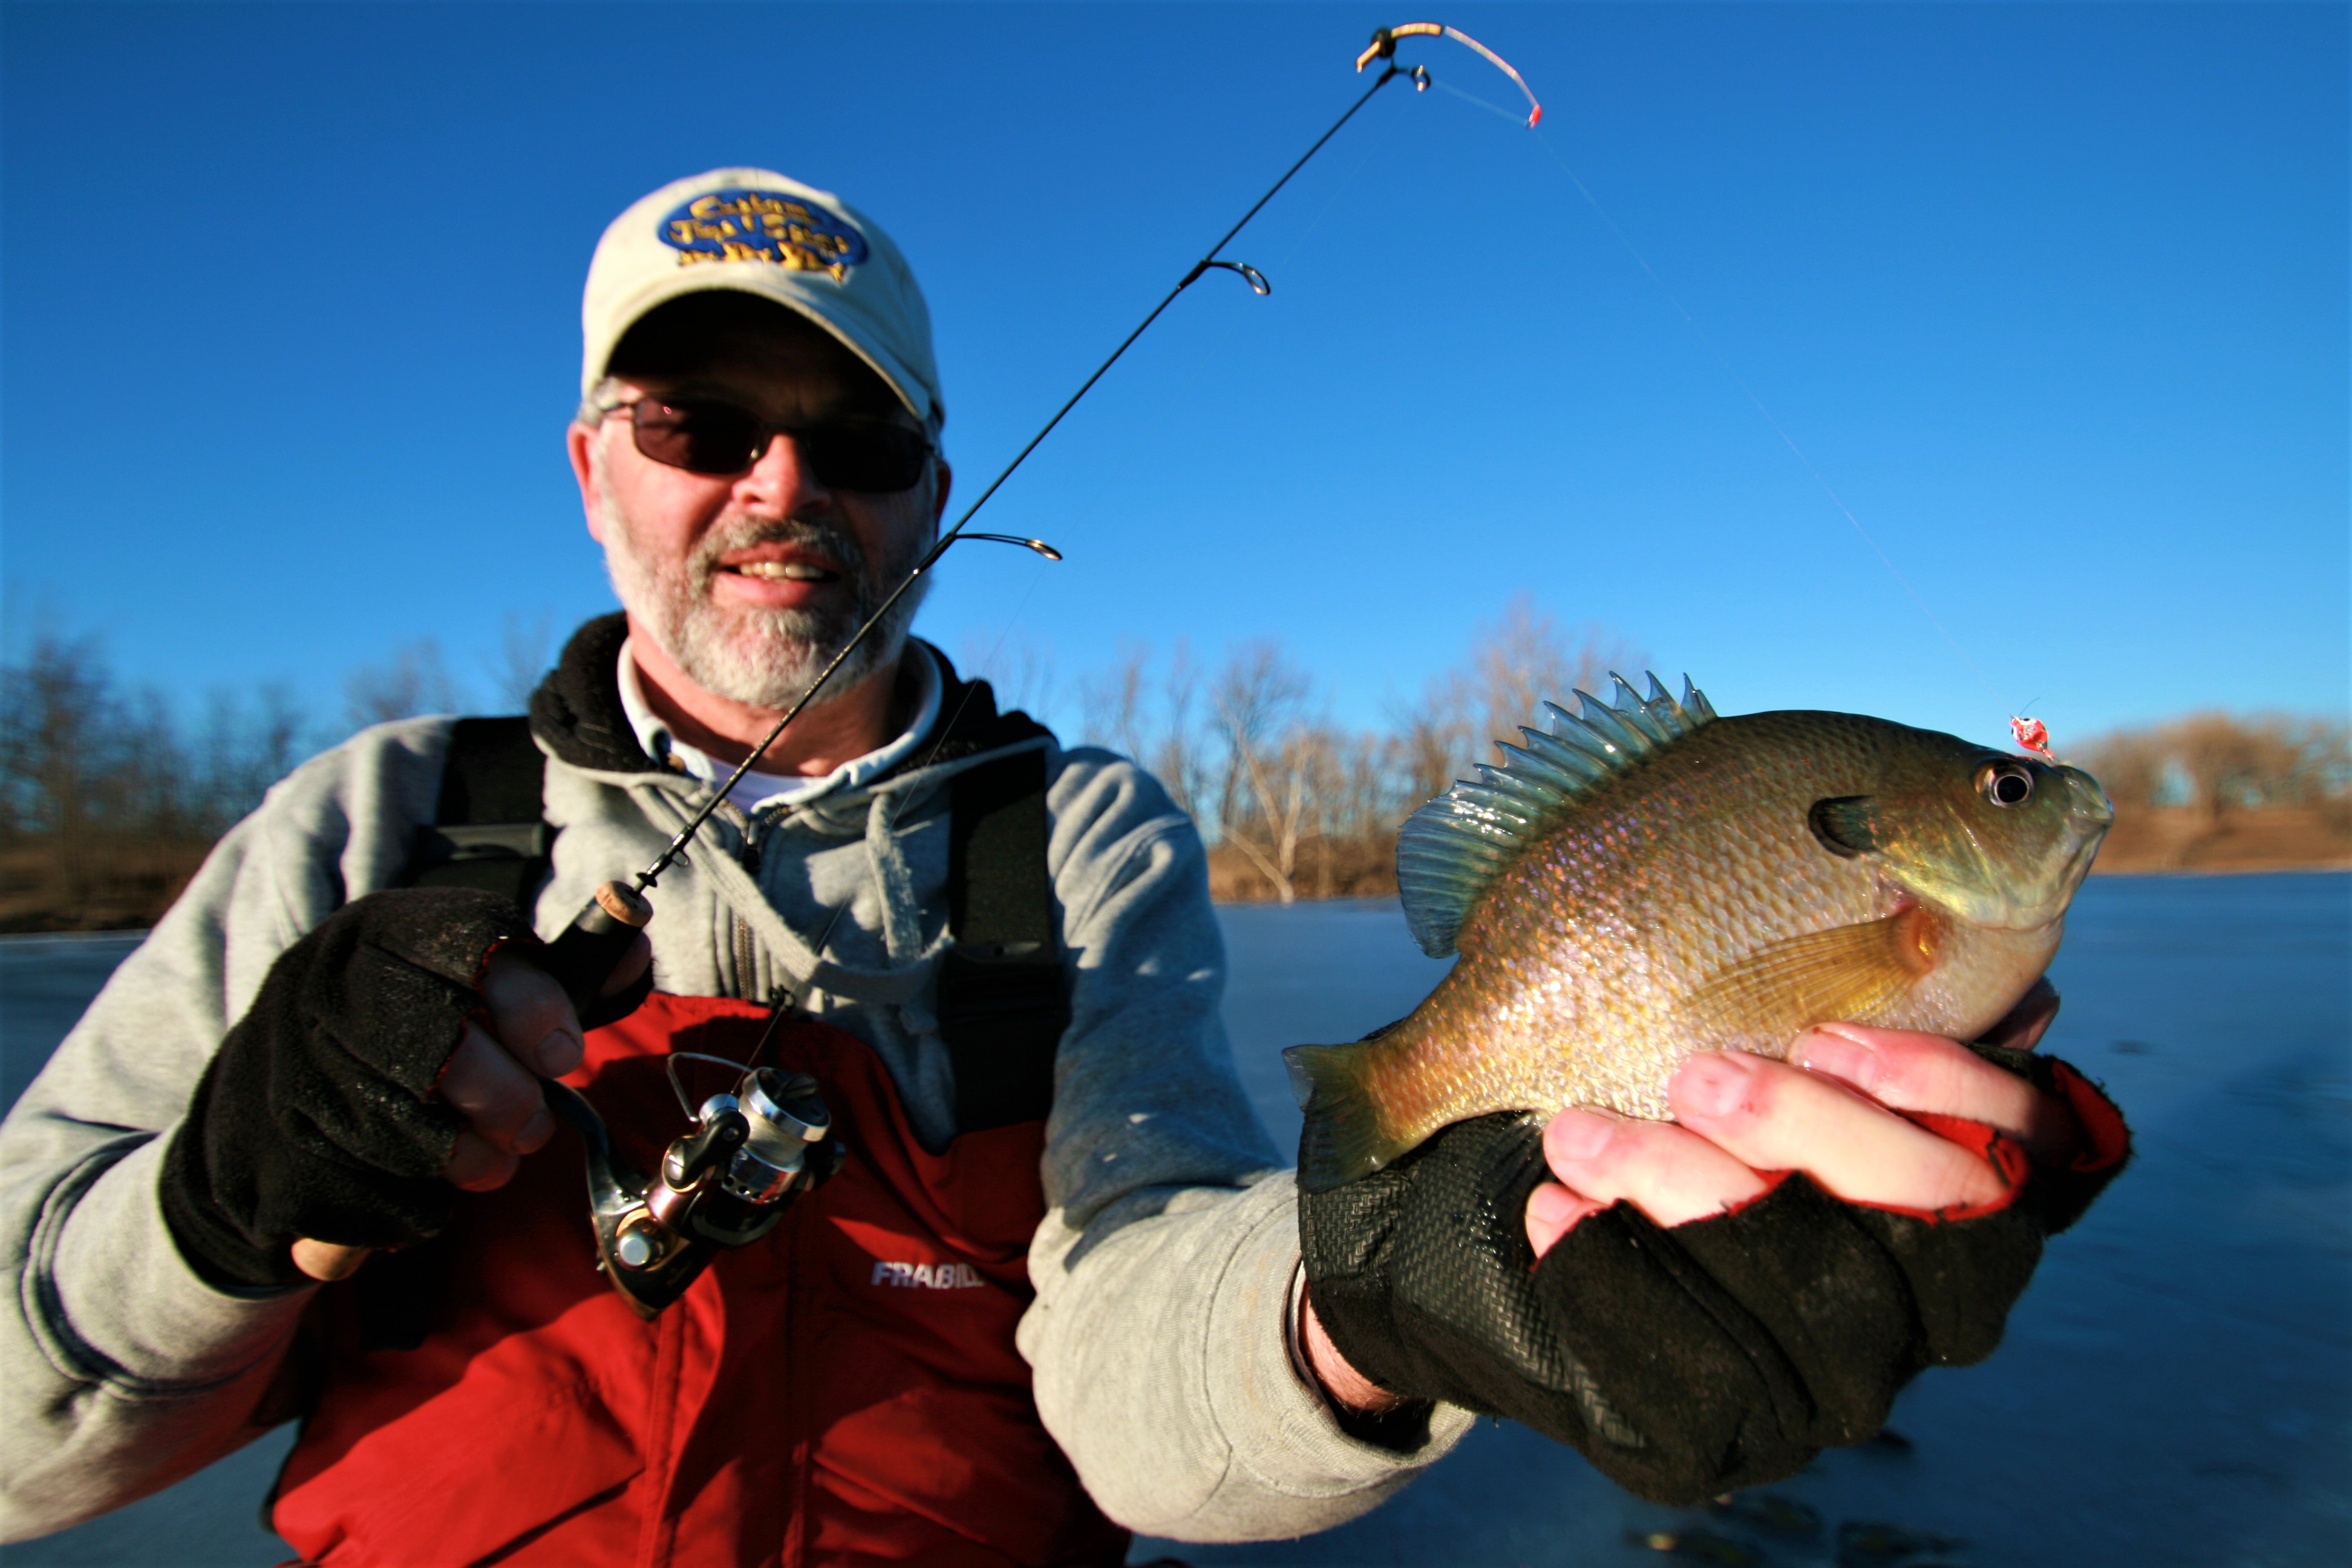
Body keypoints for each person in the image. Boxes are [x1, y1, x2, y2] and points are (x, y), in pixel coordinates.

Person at [0, 169, 2126, 1564]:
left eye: (855, 436)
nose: (778, 486)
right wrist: (202, 1216)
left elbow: (1142, 1325)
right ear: (588, 467)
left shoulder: (1077, 837)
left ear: (935, 485)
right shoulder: (373, 825)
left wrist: (1364, 1304)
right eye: (695, 419)